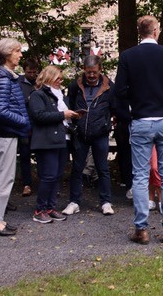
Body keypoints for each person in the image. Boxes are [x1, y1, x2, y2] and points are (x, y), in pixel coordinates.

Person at [114, 15, 163, 245]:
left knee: (140, 176)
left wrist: (129, 116)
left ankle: (141, 229)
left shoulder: (128, 56)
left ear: (139, 32)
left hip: (141, 120)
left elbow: (118, 93)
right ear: (155, 31)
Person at [0, 38, 31, 236]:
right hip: (4, 134)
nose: (20, 55)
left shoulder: (6, 76)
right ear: (6, 54)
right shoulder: (3, 79)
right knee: (3, 179)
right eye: (17, 51)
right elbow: (1, 111)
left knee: (5, 178)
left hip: (7, 134)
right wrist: (23, 121)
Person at [64, 55, 116, 216]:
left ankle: (106, 202)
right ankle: (74, 201)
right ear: (84, 71)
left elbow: (114, 107)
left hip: (100, 133)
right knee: (77, 168)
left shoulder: (109, 87)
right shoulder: (75, 86)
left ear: (100, 70)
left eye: (94, 72)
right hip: (80, 133)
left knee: (103, 168)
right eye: (88, 73)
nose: (91, 76)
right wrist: (73, 125)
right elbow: (70, 104)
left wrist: (108, 123)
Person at [28, 66, 79, 224]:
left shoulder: (60, 95)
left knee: (57, 175)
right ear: (49, 77)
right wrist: (63, 114)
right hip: (46, 140)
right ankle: (40, 209)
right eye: (57, 77)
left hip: (62, 139)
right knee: (48, 175)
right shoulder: (38, 95)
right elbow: (38, 116)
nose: (60, 80)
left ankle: (51, 207)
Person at [17, 57, 40, 197]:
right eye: (29, 72)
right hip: (24, 124)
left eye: (34, 72)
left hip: (38, 124)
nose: (31, 74)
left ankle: (43, 182)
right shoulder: (18, 83)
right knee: (24, 154)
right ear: (24, 70)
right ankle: (27, 183)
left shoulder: (40, 83)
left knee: (40, 153)